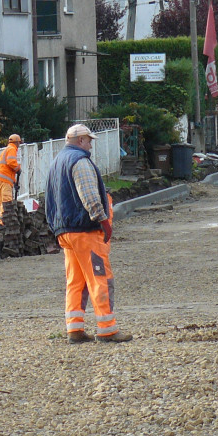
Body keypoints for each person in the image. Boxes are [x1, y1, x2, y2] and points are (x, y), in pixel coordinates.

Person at [44, 123, 132, 344]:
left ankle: (74, 329)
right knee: (99, 278)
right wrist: (104, 221)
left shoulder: (57, 162)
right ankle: (107, 329)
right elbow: (89, 195)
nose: (91, 145)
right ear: (81, 140)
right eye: (89, 140)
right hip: (85, 231)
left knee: (76, 280)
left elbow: (50, 201)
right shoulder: (80, 161)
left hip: (65, 232)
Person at [0, 134, 23, 229]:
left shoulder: (6, 149)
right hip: (5, 180)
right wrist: (18, 168)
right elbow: (11, 162)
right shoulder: (12, 149)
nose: (19, 145)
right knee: (7, 202)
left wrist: (14, 182)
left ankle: (1, 222)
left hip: (0, 179)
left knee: (2, 202)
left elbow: (6, 166)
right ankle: (3, 223)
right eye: (19, 143)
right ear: (17, 142)